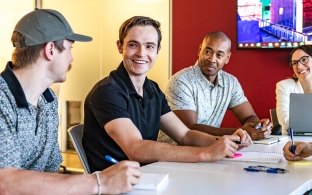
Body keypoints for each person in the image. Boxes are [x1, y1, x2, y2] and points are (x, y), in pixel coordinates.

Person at [83, 16, 253, 172]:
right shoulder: (106, 92)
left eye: (149, 46)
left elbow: (184, 134)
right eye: (133, 44)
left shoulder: (152, 90)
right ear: (120, 46)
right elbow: (136, 148)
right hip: (114, 185)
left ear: (157, 50)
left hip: (148, 176)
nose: (142, 53)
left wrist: (227, 142)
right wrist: (206, 153)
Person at [0, 9, 140, 195]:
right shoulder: (2, 100)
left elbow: (50, 170)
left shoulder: (48, 101)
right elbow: (5, 183)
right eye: (69, 48)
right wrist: (100, 183)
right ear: (50, 50)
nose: (72, 58)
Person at [165, 31, 272, 141]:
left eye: (219, 55)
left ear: (227, 58)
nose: (212, 59)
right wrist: (240, 132)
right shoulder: (181, 81)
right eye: (207, 52)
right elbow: (189, 129)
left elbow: (249, 117)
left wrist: (257, 127)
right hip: (173, 152)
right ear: (199, 50)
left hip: (209, 149)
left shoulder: (230, 82)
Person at [276, 45, 312, 135]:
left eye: (304, 59)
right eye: (295, 63)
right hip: (293, 140)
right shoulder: (284, 86)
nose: (299, 66)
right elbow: (285, 122)